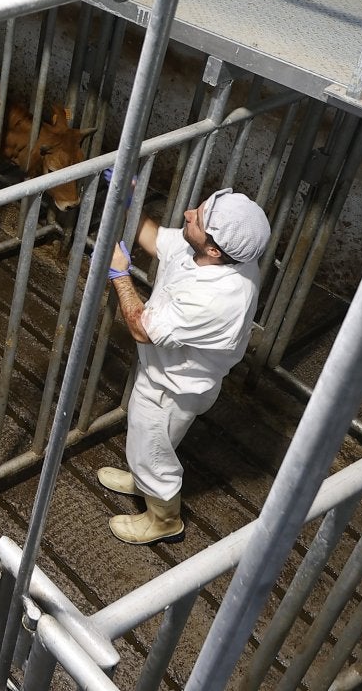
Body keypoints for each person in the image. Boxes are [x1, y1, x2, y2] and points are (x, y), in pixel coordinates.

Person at [99, 186, 271, 544]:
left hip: (174, 388)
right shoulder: (220, 252)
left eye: (198, 217)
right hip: (165, 373)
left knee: (154, 450)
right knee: (152, 441)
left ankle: (164, 520)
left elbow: (142, 329)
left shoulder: (216, 297)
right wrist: (132, 198)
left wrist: (120, 275)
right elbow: (157, 239)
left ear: (212, 248)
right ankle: (141, 476)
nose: (188, 212)